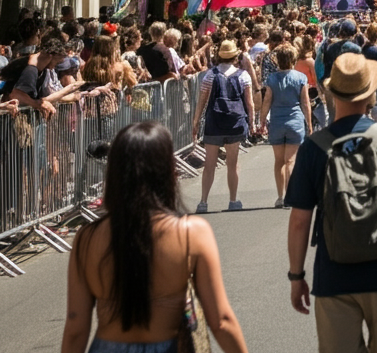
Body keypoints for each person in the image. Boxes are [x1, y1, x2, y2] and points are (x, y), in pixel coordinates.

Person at [285, 53, 377, 353]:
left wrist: (296, 275)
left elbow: (300, 220)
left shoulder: (313, 148)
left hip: (334, 276)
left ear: (331, 94)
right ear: (371, 95)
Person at [61, 121, 248, 353]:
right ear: (170, 171)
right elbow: (221, 321)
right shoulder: (192, 233)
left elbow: (76, 327)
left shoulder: (87, 238)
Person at [192, 40, 255, 213]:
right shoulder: (243, 75)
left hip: (214, 122)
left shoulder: (210, 75)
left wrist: (196, 122)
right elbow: (249, 104)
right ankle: (233, 200)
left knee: (209, 163)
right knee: (233, 163)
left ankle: (203, 202)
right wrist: (252, 122)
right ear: (236, 56)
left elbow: (202, 101)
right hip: (235, 122)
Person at [260, 43, 313, 208]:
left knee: (278, 161)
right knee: (291, 160)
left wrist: (262, 120)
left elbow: (267, 100)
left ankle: (280, 196)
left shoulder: (271, 79)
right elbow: (305, 103)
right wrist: (309, 124)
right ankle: (291, 195)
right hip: (295, 121)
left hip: (277, 121)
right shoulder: (300, 78)